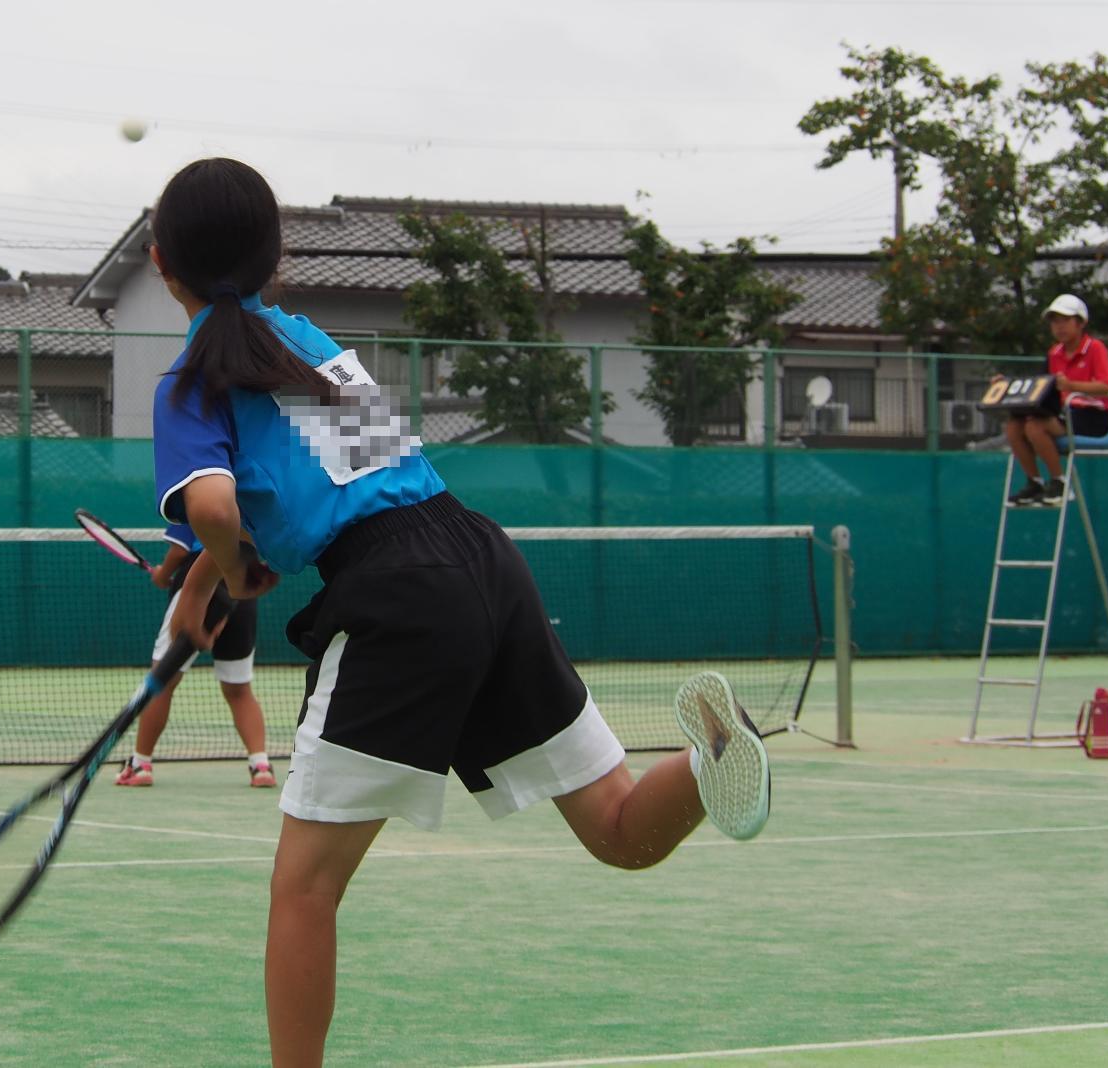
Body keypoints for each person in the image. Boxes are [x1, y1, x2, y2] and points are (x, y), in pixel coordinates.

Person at [146, 158, 769, 1068]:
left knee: (305, 890)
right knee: (621, 833)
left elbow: (216, 509)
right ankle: (719, 746)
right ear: (277, 260)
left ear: (162, 263)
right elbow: (345, 483)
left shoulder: (189, 382)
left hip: (396, 595)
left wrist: (233, 565)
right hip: (479, 556)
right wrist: (211, 574)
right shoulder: (314, 346)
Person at [116, 527, 278, 789]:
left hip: (200, 584)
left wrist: (162, 574)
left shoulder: (198, 490)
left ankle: (140, 764)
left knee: (162, 683)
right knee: (239, 689)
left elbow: (180, 549)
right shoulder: (250, 502)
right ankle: (260, 765)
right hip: (243, 590)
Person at [1003, 293, 1108, 507]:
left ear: (1081, 323)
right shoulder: (1054, 353)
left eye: (1066, 320)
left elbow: (1106, 386)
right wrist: (1006, 385)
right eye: (1055, 321)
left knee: (1035, 426)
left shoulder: (1095, 348)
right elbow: (1042, 386)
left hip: (1093, 417)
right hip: (1063, 415)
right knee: (1014, 427)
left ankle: (1059, 483)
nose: (1059, 327)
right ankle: (1035, 482)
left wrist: (1072, 386)